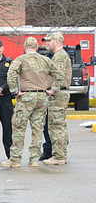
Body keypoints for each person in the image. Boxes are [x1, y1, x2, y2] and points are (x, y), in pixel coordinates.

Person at [3, 37, 63, 168]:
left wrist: (15, 91)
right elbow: (60, 75)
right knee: (37, 129)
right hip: (41, 97)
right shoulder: (46, 60)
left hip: (26, 97)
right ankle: (34, 159)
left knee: (19, 127)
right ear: (36, 47)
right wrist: (52, 90)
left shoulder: (20, 60)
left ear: (25, 46)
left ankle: (15, 159)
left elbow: (10, 75)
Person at [41, 32, 72, 166]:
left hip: (58, 95)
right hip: (60, 93)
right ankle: (61, 154)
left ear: (57, 42)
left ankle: (58, 156)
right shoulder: (59, 56)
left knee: (56, 125)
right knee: (59, 125)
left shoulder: (59, 56)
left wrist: (52, 90)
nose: (47, 43)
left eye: (49, 40)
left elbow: (59, 76)